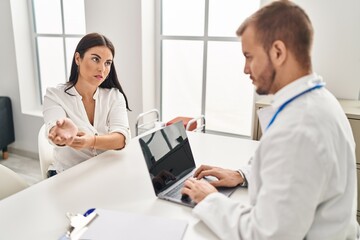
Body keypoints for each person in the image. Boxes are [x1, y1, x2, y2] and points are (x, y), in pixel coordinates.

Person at [181, 1, 359, 239]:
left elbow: (266, 235)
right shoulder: (319, 100)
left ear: (278, 52)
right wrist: (242, 174)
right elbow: (288, 168)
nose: (245, 69)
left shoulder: (299, 128)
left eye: (249, 56)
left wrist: (209, 199)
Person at [43, 32, 131, 174]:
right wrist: (59, 135)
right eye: (95, 59)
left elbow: (121, 139)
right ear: (78, 58)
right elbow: (54, 128)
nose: (102, 69)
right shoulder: (54, 95)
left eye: (107, 63)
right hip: (68, 174)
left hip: (104, 171)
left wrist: (92, 141)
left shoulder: (114, 96)